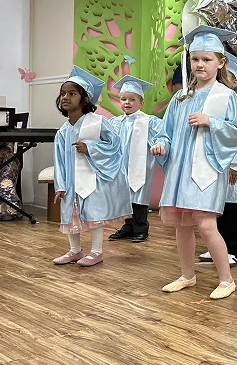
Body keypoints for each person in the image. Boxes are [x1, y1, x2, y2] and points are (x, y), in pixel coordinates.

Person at [157, 26, 237, 300]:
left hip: (207, 168)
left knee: (206, 224)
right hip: (180, 169)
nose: (199, 64)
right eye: (195, 59)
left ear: (220, 62)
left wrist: (212, 121)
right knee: (182, 225)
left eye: (206, 59)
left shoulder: (227, 97)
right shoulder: (181, 97)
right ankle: (187, 275)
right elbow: (166, 129)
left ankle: (226, 280)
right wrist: (161, 144)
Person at [52, 66, 132, 267]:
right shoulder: (62, 131)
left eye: (72, 93)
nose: (66, 98)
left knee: (95, 215)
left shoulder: (98, 122)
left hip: (93, 178)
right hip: (71, 180)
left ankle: (97, 252)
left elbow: (115, 146)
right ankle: (75, 251)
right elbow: (59, 160)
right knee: (72, 215)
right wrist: (60, 185)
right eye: (63, 94)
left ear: (84, 98)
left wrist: (91, 148)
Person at [198, 54, 237, 269]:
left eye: (229, 78)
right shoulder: (216, 103)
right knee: (218, 208)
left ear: (236, 82)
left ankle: (236, 250)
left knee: (234, 208)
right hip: (216, 165)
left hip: (233, 167)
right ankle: (218, 248)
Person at [108, 76, 166, 243]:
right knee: (124, 197)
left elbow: (162, 136)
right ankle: (128, 227)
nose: (127, 102)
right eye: (124, 99)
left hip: (139, 167)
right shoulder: (115, 123)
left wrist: (159, 144)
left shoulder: (149, 122)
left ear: (141, 103)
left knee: (138, 196)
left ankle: (141, 227)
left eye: (132, 99)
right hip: (121, 167)